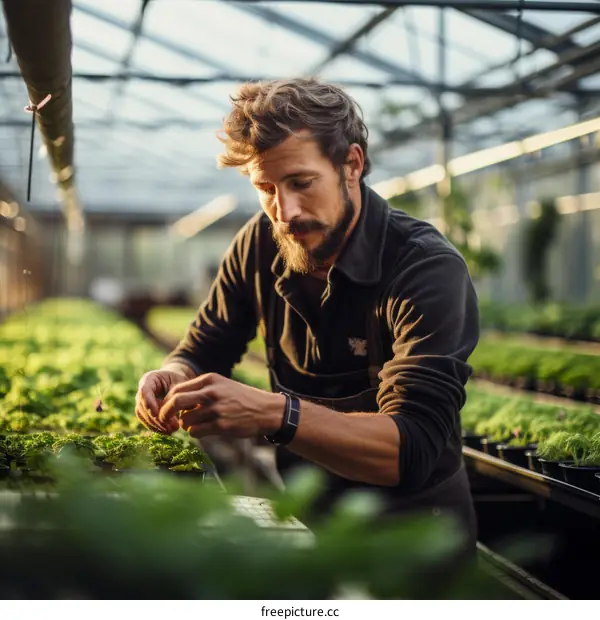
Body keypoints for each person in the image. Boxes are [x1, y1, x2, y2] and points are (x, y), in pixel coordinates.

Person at [135, 78, 480, 550]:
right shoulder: (260, 242)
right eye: (266, 188)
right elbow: (206, 344)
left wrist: (272, 412)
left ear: (351, 164)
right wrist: (173, 373)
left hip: (414, 537)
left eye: (301, 182)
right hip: (308, 514)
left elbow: (410, 447)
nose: (285, 211)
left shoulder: (423, 267)